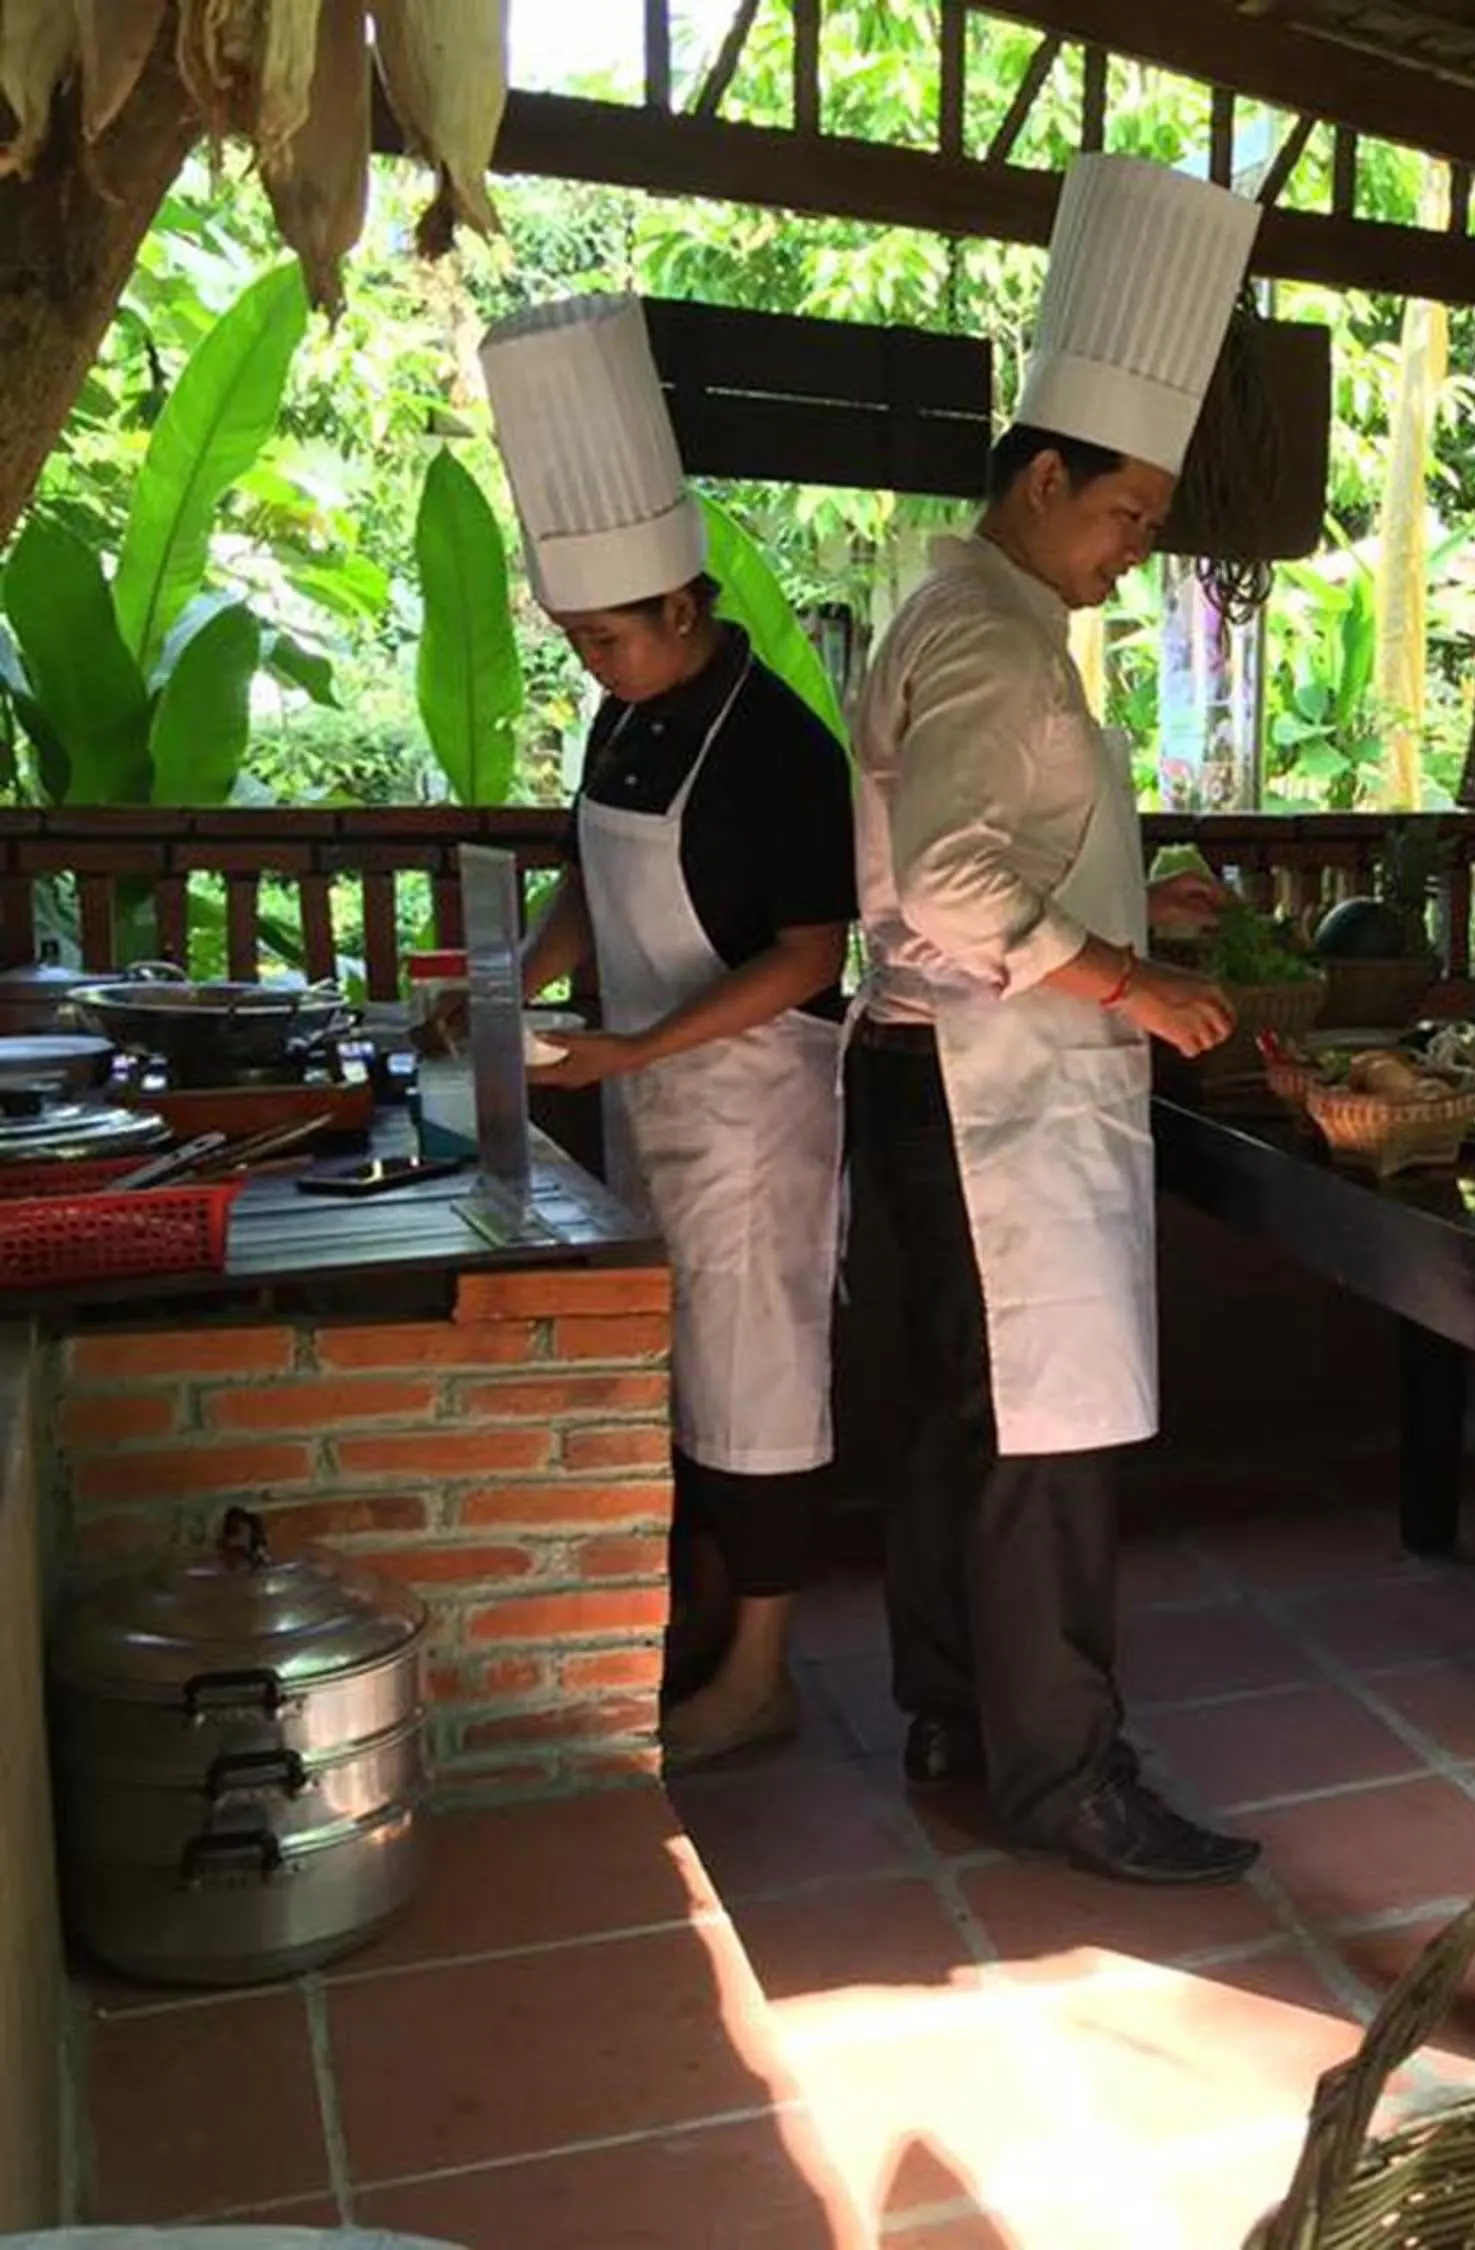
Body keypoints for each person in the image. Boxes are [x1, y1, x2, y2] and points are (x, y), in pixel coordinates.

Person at [842, 153, 1258, 1887]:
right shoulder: (1003, 639)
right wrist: (1136, 979)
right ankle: (1065, 1772)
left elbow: (975, 845)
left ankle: (954, 1713)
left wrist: (1114, 900)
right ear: (1041, 475)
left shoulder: (954, 606)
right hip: (992, 1091)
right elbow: (948, 881)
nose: (1137, 542)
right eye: (1126, 512)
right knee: (1047, 1437)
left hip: (923, 1074)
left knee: (959, 1421)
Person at [478, 294, 854, 1768]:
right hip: (655, 1096)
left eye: (607, 639)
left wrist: (632, 1051)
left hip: (755, 1106)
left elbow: (814, 951)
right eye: (575, 640)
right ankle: (699, 1623)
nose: (591, 664)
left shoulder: (780, 746)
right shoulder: (625, 717)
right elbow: (596, 872)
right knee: (676, 1374)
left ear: (684, 610)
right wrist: (519, 975)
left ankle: (760, 1671)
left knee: (757, 1385)